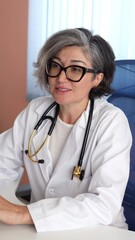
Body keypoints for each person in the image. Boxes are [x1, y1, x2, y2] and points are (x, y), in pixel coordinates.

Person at [0, 28, 132, 232]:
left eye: (75, 69)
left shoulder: (111, 122)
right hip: (40, 231)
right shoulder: (37, 111)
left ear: (97, 78)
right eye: (56, 66)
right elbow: (2, 163)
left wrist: (22, 213)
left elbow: (103, 205)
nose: (61, 78)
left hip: (99, 232)